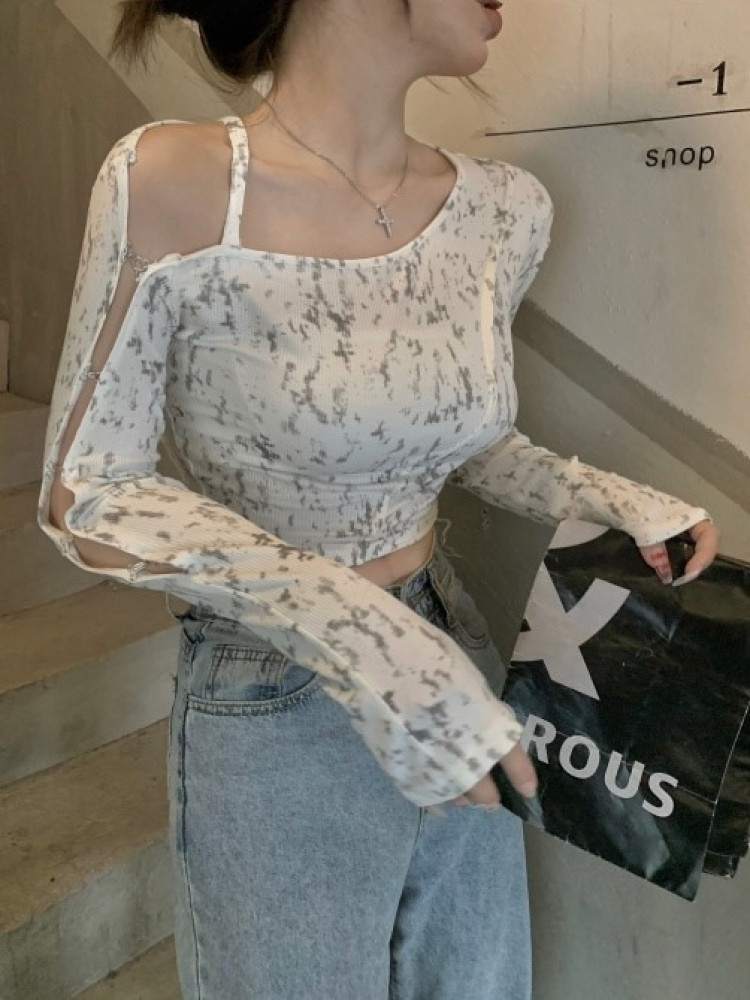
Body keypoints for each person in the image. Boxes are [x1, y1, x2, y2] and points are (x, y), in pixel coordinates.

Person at [37, 1, 719, 997]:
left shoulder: (503, 210)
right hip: (272, 686)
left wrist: (604, 496)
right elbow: (89, 487)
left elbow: (467, 442)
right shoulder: (173, 181)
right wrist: (359, 632)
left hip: (457, 660)